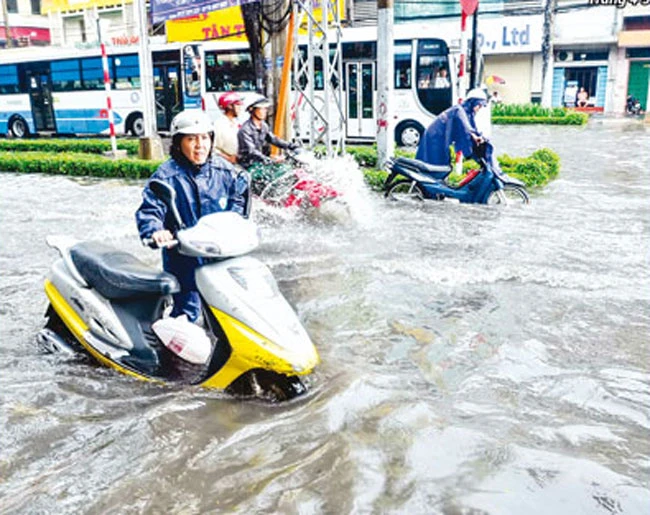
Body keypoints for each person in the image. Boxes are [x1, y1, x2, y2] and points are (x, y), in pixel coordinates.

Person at [135, 110, 249, 323]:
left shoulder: (225, 171)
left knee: (231, 313)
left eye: (205, 138)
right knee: (188, 316)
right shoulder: (166, 176)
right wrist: (156, 231)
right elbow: (151, 209)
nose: (200, 145)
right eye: (192, 139)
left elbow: (239, 201)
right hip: (184, 259)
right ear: (178, 143)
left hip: (220, 256)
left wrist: (237, 224)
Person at [238, 94, 299, 195]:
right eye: (261, 109)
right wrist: (269, 160)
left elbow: (274, 139)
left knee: (288, 169)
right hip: (250, 165)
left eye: (265, 109)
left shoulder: (263, 126)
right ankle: (272, 196)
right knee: (279, 174)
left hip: (261, 162)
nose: (264, 111)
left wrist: (291, 146)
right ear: (252, 109)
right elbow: (251, 151)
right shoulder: (245, 130)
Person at [415, 88, 488, 167]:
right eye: (479, 105)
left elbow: (472, 127)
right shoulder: (459, 110)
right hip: (435, 136)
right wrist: (473, 135)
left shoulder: (469, 114)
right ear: (472, 102)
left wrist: (480, 137)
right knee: (435, 163)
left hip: (441, 138)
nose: (479, 108)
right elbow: (465, 125)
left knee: (442, 162)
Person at [214, 91, 244, 164]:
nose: (240, 108)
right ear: (229, 106)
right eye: (238, 105)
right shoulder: (219, 124)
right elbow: (213, 149)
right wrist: (228, 158)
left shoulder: (237, 122)